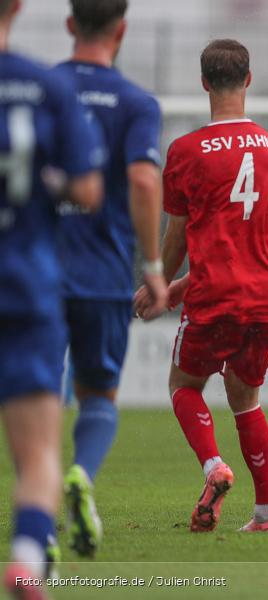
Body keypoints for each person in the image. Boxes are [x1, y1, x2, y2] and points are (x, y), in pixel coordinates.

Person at [134, 39, 268, 533]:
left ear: (203, 83)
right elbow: (249, 231)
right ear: (249, 79)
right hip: (265, 297)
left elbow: (181, 234)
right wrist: (180, 286)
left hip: (215, 297)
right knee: (246, 400)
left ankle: (213, 467)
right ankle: (267, 514)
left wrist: (160, 281)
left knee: (184, 386)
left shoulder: (186, 151)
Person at [54, 0, 167, 558]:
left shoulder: (37, 87)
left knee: (35, 393)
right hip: (101, 275)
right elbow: (145, 183)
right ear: (121, 30)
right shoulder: (135, 103)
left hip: (35, 272)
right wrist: (153, 267)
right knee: (98, 394)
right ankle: (81, 473)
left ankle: (39, 506)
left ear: (71, 24)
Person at [0, 0, 105, 592]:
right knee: (38, 450)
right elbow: (89, 190)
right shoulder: (45, 86)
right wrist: (48, 182)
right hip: (25, 287)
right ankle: (24, 555)